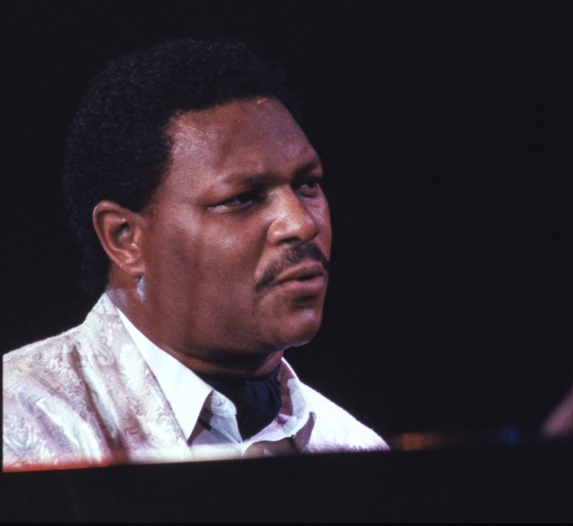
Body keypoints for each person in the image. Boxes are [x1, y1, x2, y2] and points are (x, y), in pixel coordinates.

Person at [3, 38, 388, 471]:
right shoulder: (22, 431)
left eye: (307, 184)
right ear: (125, 239)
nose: (301, 223)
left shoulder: (357, 450)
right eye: (242, 198)